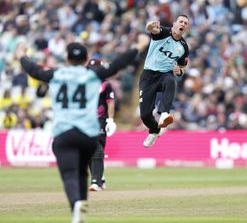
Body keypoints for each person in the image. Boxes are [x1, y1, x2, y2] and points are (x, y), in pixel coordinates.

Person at [18, 35, 149, 223]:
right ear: (85, 59)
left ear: (68, 58)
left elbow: (33, 70)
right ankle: (82, 206)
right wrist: (139, 46)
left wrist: (22, 54)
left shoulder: (56, 74)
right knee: (81, 172)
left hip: (64, 132)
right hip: (88, 134)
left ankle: (76, 206)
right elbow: (118, 64)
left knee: (70, 174)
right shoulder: (92, 75)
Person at [139, 14, 190, 148]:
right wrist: (150, 25)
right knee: (144, 115)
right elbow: (151, 29)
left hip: (164, 75)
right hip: (148, 75)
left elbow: (182, 66)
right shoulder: (164, 33)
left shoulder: (184, 47)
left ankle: (164, 114)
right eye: (181, 22)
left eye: (185, 23)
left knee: (170, 80)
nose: (183, 24)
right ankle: (154, 131)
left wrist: (180, 71)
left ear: (186, 28)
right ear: (174, 24)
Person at [87, 58, 116, 191]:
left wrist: (110, 120)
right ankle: (99, 178)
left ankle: (96, 181)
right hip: (85, 120)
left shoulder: (105, 84)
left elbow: (110, 102)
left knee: (97, 147)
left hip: (99, 119)